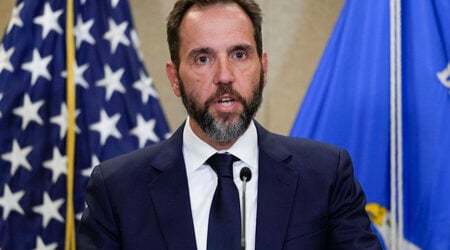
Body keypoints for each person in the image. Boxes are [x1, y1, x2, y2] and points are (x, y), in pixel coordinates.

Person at [77, 0, 382, 249]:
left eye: (239, 54)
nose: (224, 76)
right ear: (174, 78)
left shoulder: (326, 175)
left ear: (262, 68)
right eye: (202, 59)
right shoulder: (117, 189)